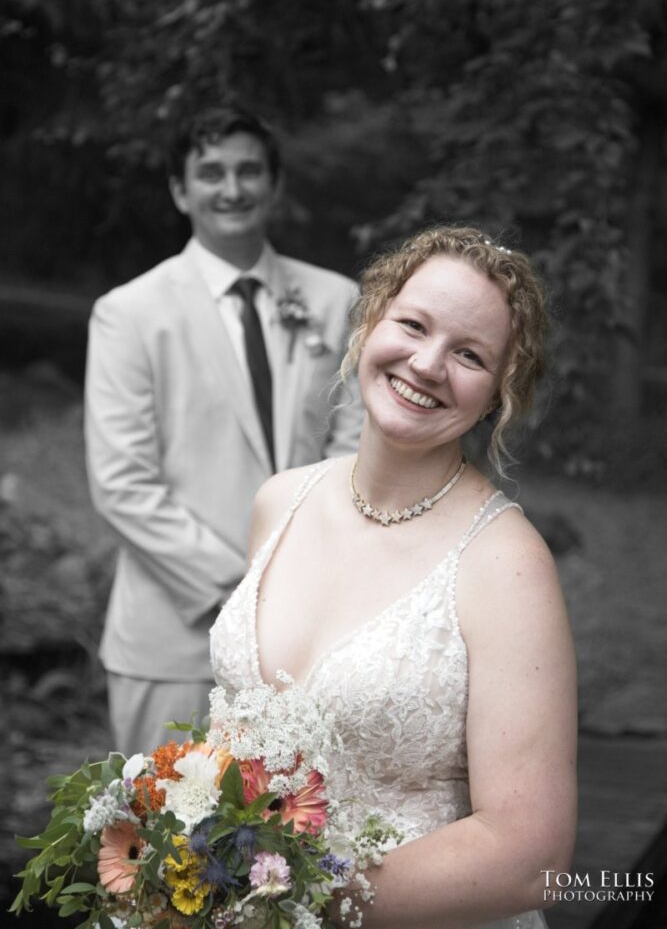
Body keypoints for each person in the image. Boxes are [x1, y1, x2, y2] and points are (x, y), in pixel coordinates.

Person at [210, 225, 577, 928]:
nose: (427, 363)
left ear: (500, 392)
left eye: (469, 354)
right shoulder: (278, 501)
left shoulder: (506, 565)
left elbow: (531, 856)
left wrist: (292, 906)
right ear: (371, 319)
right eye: (412, 325)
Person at [85, 102, 362, 757]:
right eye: (211, 172)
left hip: (311, 631)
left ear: (274, 184)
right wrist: (243, 592)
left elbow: (354, 454)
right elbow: (122, 484)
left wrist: (301, 585)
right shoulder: (129, 314)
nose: (231, 189)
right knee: (162, 844)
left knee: (297, 840)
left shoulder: (335, 301)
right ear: (181, 190)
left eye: (248, 170)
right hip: (174, 640)